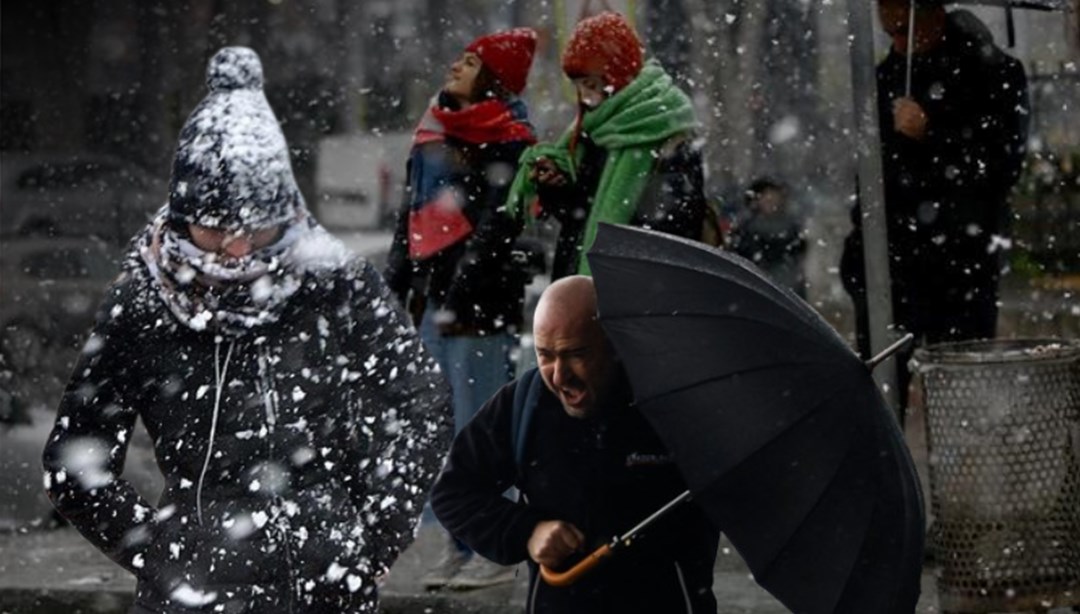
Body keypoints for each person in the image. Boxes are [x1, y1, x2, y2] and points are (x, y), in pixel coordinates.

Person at [41, 47, 452, 614]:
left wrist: (374, 534)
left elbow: (420, 405)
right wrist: (163, 554)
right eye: (214, 229)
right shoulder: (143, 301)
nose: (236, 249)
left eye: (256, 229)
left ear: (284, 211)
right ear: (183, 214)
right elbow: (73, 462)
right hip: (195, 596)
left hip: (331, 589)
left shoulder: (334, 281)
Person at [430, 276, 720, 613]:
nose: (558, 375)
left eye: (576, 354)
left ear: (615, 344)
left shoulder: (675, 406)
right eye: (545, 355)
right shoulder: (525, 402)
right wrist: (527, 531)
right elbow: (453, 492)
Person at [382, 27, 539, 590]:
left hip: (479, 306)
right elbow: (410, 218)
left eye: (471, 62)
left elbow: (502, 223)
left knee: (482, 428)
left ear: (494, 77)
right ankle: (458, 542)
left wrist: (462, 282)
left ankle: (497, 549)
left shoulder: (510, 140)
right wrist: (396, 284)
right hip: (432, 302)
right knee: (439, 428)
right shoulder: (433, 131)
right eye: (461, 56)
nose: (456, 66)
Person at [840, 0, 1028, 407]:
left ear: (933, 17)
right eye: (887, 31)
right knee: (881, 399)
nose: (897, 42)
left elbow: (1001, 167)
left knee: (959, 399)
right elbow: (871, 176)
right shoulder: (883, 79)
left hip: (960, 262)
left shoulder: (994, 75)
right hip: (890, 265)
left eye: (902, 30)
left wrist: (932, 131)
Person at [504, 11, 709, 279]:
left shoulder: (666, 128)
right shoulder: (594, 129)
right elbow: (578, 215)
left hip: (637, 287)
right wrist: (556, 186)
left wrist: (626, 237)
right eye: (578, 87)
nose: (585, 98)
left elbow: (679, 223)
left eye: (590, 85)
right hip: (583, 286)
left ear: (617, 76)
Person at [729, 178, 807, 298]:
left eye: (774, 198)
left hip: (786, 289)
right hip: (757, 289)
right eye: (767, 199)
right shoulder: (746, 229)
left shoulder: (790, 227)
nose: (772, 203)